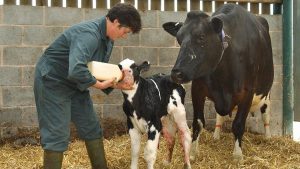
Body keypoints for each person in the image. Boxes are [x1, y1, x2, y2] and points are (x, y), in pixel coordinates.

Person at [33, 3, 141, 169]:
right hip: (53, 81)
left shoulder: (108, 40)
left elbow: (96, 70)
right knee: (57, 135)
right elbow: (77, 69)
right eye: (124, 31)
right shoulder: (88, 35)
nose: (124, 36)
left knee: (91, 127)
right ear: (116, 22)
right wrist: (97, 85)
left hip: (76, 84)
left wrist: (120, 84)